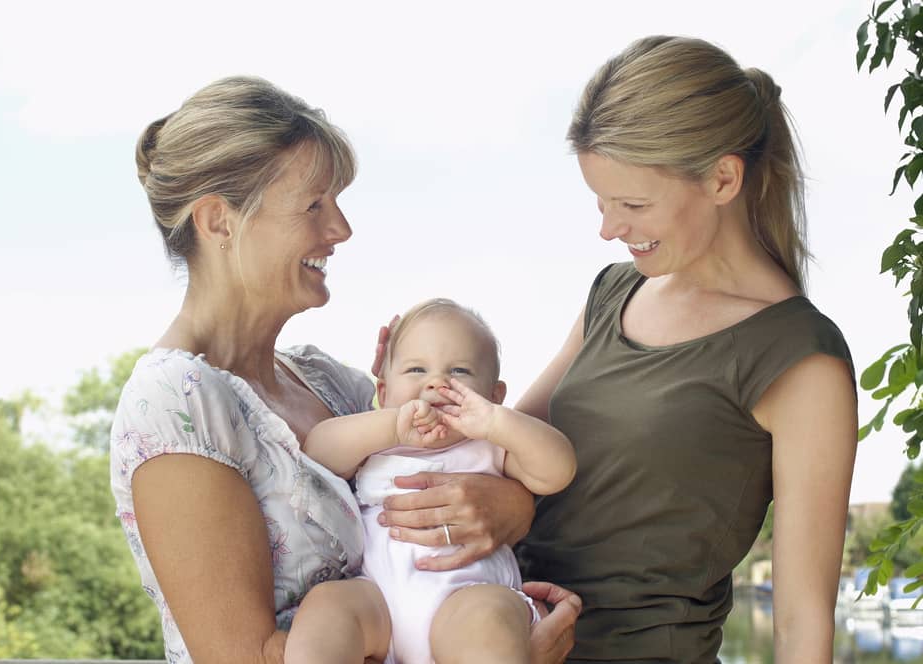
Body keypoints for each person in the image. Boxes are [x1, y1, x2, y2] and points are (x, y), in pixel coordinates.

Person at [109, 75, 580, 664]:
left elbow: (469, 470)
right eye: (313, 205)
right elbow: (242, 657)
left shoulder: (335, 383)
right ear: (218, 221)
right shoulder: (176, 403)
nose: (341, 229)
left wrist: (509, 507)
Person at [507, 36, 857, 662]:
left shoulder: (801, 359)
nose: (609, 229)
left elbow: (801, 626)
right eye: (601, 202)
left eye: (634, 204)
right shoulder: (614, 293)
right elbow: (506, 447)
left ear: (724, 178)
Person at [286, 299, 577, 664]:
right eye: (416, 369)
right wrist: (390, 425)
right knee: (327, 605)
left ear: (494, 396)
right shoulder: (377, 440)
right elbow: (318, 452)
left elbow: (557, 469)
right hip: (378, 603)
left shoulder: (490, 446)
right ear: (384, 390)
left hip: (466, 598)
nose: (437, 382)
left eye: (459, 371)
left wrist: (497, 423)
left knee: (490, 620)